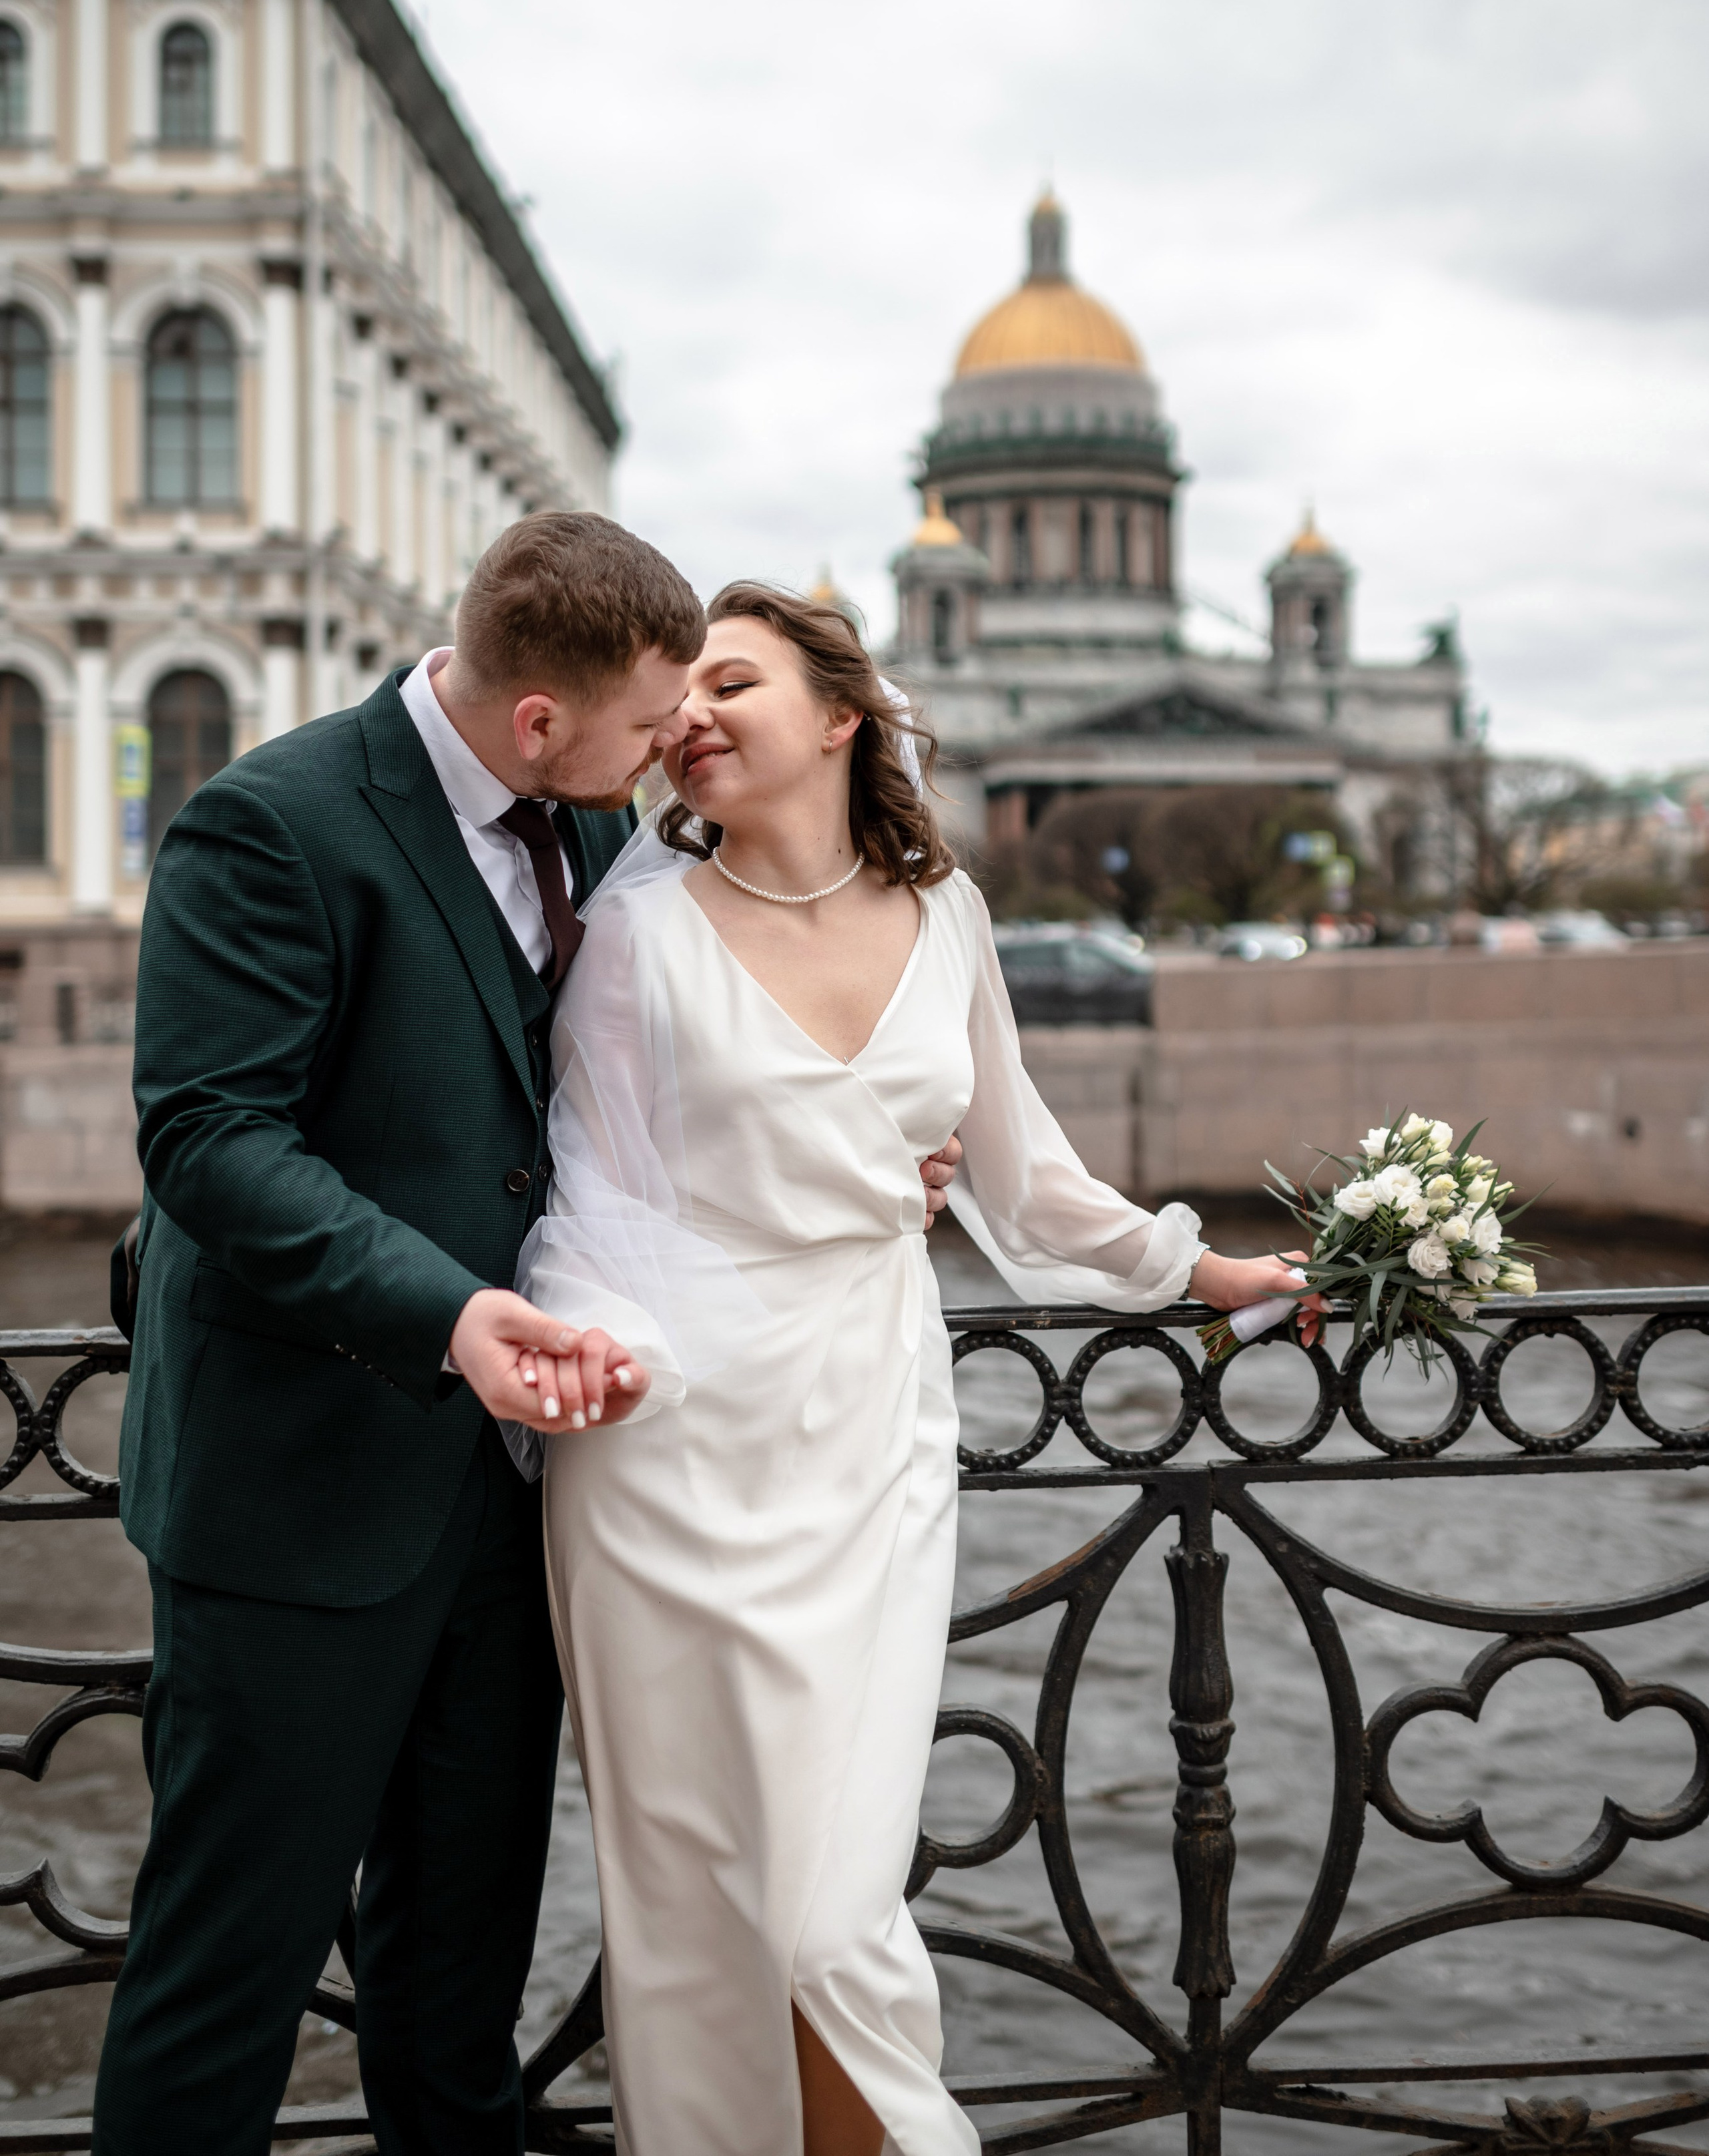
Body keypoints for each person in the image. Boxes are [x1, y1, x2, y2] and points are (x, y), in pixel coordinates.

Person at [93, 512, 963, 2156]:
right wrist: (449, 1312)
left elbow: (632, 1096)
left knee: (457, 1985)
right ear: (541, 717)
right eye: (648, 723)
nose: (673, 749)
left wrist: (857, 1156)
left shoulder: (590, 818)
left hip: (518, 1490)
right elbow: (208, 1141)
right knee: (226, 1983)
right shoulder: (269, 821)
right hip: (301, 1496)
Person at [519, 581, 1311, 2156]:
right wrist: (593, 1348)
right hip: (667, 1451)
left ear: (839, 715)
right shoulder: (632, 929)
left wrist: (1205, 1271)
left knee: (830, 1915)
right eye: (680, 695)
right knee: (699, 1911)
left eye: (730, 681)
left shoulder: (946, 912)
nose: (688, 714)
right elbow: (588, 1190)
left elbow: (1028, 1181)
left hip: (868, 1429)